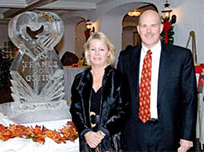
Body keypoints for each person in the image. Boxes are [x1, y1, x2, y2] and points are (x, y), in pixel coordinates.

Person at [117, 10, 197, 152]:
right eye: (144, 26)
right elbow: (119, 98)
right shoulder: (125, 57)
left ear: (160, 28)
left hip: (168, 132)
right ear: (138, 29)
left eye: (153, 26)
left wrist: (187, 136)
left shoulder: (181, 57)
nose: (148, 31)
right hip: (134, 133)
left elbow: (189, 99)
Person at [70, 32, 128, 152]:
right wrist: (86, 132)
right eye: (93, 49)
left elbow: (124, 111)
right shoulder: (79, 79)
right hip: (87, 142)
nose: (97, 53)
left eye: (101, 49)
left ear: (108, 52)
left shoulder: (119, 78)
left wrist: (102, 133)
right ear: (87, 53)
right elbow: (75, 110)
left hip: (112, 142)